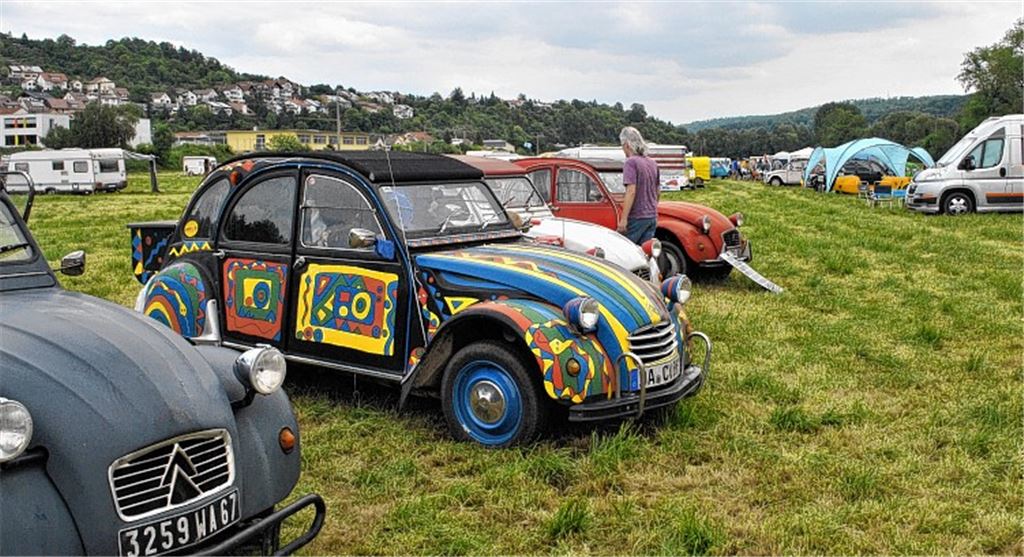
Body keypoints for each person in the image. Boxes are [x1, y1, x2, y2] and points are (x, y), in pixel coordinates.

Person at [617, 126, 659, 245]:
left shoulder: (631, 162)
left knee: (627, 251)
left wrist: (624, 219)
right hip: (651, 216)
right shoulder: (652, 163)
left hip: (637, 217)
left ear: (627, 145)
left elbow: (631, 191)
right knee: (645, 253)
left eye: (622, 146)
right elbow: (658, 192)